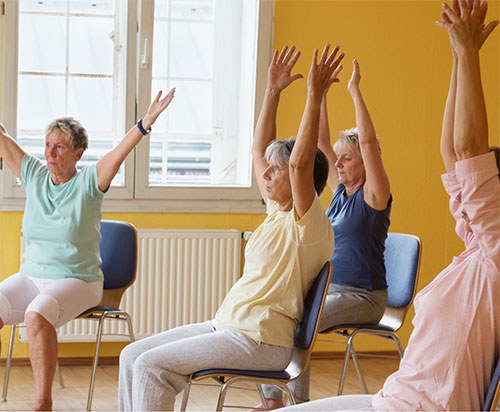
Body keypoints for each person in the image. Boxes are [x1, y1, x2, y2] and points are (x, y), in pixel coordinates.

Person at [276, 0, 500, 410]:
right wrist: (457, 56)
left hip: (414, 401)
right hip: (394, 397)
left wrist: (468, 55)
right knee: (292, 311)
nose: (465, 191)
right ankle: (284, 399)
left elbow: (467, 150)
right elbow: (453, 153)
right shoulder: (477, 247)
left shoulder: (495, 249)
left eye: (477, 187)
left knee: (300, 318)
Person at [117, 44, 340, 411]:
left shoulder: (310, 226)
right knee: (132, 355)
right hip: (228, 326)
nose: (266, 175)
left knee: (152, 366)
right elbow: (258, 150)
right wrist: (272, 91)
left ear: (301, 180)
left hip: (262, 340)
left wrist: (315, 96)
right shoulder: (276, 211)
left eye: (277, 170)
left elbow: (300, 165)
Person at [0, 88, 175, 411]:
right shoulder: (35, 175)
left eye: (60, 147)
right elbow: (3, 138)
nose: (50, 153)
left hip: (80, 281)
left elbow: (120, 152)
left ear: (78, 154)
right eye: (48, 145)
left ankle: (43, 404)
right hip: (32, 276)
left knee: (36, 314)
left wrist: (146, 122)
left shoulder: (90, 183)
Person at [260, 58, 392, 409]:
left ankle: (291, 405)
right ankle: (275, 398)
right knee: (279, 314)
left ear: (366, 161)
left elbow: (366, 141)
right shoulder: (338, 194)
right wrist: (322, 95)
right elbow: (321, 144)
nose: (339, 163)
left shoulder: (374, 195)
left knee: (304, 320)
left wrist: (353, 91)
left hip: (364, 297)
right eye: (340, 158)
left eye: (347, 158)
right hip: (331, 290)